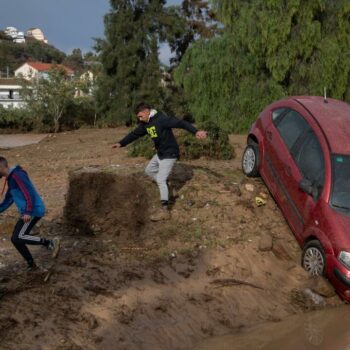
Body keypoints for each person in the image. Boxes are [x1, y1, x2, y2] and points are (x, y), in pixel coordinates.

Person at [112, 103, 207, 221]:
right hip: (160, 153)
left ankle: (165, 210)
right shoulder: (145, 124)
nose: (139, 119)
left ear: (147, 111)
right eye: (138, 117)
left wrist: (196, 131)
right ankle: (167, 189)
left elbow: (180, 123)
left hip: (170, 153)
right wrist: (121, 143)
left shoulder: (162, 119)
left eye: (140, 116)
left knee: (161, 179)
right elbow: (134, 134)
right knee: (149, 170)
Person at [0, 157, 60, 271]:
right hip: (27, 212)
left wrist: (28, 211)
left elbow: (29, 193)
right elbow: (8, 201)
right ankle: (31, 265)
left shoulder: (17, 175)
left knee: (19, 236)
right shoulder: (11, 179)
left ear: (1, 167)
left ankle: (50, 243)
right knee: (15, 239)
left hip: (33, 211)